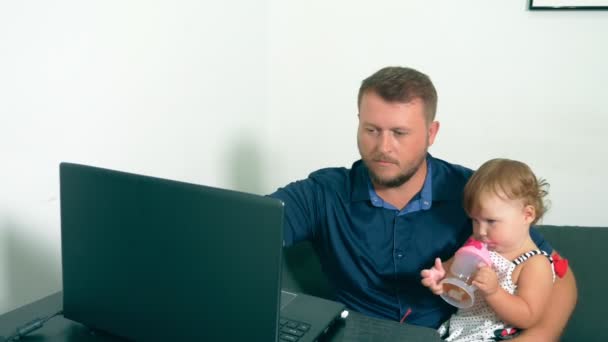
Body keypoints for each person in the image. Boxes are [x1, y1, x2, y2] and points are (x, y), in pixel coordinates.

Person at [269, 66, 576, 340]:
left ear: (431, 133)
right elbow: (246, 229)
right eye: (371, 130)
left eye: (400, 133)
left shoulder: (476, 193)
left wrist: (540, 336)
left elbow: (557, 274)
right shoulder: (322, 193)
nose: (383, 147)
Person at [421, 158, 555, 341]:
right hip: (460, 332)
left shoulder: (535, 263)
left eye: (491, 221)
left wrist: (494, 292)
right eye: (475, 220)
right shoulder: (475, 245)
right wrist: (440, 275)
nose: (480, 231)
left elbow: (528, 317)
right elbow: (453, 271)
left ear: (527, 215)